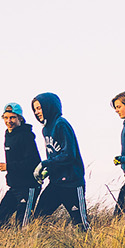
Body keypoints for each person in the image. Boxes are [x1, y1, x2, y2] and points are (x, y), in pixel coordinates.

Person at [29, 92, 88, 229]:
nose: (37, 112)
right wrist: (46, 172)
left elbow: (69, 154)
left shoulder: (61, 124)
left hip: (72, 183)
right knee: (38, 219)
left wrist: (44, 164)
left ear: (49, 106)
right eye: (35, 109)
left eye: (39, 108)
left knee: (81, 224)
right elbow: (54, 156)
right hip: (56, 183)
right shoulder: (46, 129)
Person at [0, 103, 41, 228]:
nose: (9, 121)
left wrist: (8, 167)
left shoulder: (26, 136)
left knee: (22, 225)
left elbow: (33, 163)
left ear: (20, 118)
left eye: (12, 117)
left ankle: (29, 244)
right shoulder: (8, 135)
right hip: (14, 187)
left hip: (28, 187)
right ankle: (12, 245)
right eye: (6, 117)